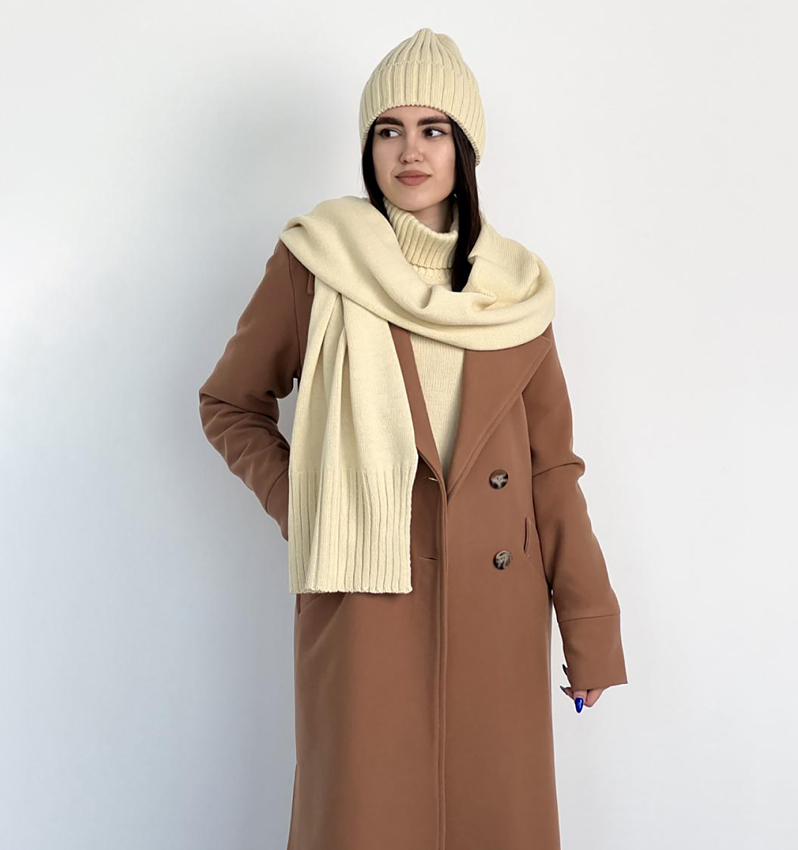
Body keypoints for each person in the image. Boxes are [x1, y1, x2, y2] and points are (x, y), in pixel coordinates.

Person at [198, 26, 627, 850]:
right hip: (365, 600)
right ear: (368, 148)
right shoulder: (316, 261)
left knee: (495, 823)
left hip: (497, 613)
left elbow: (551, 470)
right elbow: (230, 402)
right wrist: (311, 505)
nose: (410, 151)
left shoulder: (515, 291)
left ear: (465, 147)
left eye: (434, 129)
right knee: (362, 820)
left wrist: (590, 627)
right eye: (388, 130)